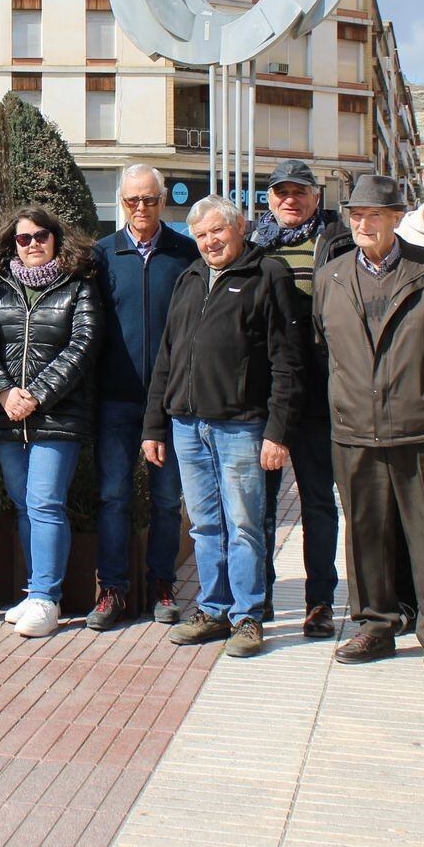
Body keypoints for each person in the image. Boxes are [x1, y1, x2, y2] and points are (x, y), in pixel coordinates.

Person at [313, 174, 424, 679]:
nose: (363, 224)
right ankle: (375, 625)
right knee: (364, 533)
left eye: (374, 215)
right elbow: (325, 349)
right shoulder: (330, 276)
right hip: (355, 426)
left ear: (396, 219)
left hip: (422, 428)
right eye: (355, 215)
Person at [142, 197, 304, 657]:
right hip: (187, 425)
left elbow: (286, 362)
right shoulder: (189, 279)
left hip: (241, 427)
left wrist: (278, 431)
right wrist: (154, 425)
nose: (210, 241)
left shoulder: (267, 274)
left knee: (245, 525)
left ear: (239, 228)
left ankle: (248, 616)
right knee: (204, 526)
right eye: (202, 235)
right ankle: (213, 610)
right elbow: (167, 358)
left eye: (218, 231)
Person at [0, 206, 103, 639]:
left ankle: (47, 599)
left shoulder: (78, 284)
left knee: (45, 502)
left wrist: (37, 394)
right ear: (12, 243)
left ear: (56, 237)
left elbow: (83, 345)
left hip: (58, 416)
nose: (33, 243)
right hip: (7, 416)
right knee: (24, 504)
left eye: (41, 235)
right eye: (23, 238)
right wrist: (3, 392)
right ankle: (35, 589)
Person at [247, 158, 354, 637]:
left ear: (317, 197)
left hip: (321, 394)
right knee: (260, 504)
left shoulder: (339, 243)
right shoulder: (251, 246)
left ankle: (320, 602)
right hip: (265, 394)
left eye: (300, 192)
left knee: (317, 502)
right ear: (269, 199)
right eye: (281, 192)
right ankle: (261, 595)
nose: (290, 200)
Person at [91, 165, 197, 630]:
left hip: (170, 401)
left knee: (168, 499)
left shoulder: (186, 254)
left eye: (149, 200)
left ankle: (161, 583)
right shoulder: (101, 256)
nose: (140, 209)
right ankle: (112, 588)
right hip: (116, 398)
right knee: (113, 495)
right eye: (132, 201)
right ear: (121, 202)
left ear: (162, 202)